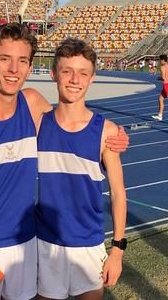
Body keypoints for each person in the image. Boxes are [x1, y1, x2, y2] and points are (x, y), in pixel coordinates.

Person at [0, 24, 129, 299]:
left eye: (22, 61)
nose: (13, 69)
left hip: (27, 245)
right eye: (4, 59)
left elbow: (70, 122)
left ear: (31, 69)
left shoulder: (32, 104)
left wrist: (116, 136)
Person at [34, 38, 126, 299]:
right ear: (53, 74)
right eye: (67, 71)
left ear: (92, 78)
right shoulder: (39, 124)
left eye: (83, 73)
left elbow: (118, 193)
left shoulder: (106, 132)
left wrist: (117, 251)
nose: (75, 79)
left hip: (89, 245)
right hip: (47, 244)